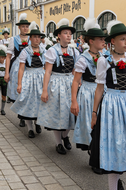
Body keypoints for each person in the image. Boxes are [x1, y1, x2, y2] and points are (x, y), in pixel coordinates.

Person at [89, 20, 126, 190]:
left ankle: (116, 179)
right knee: (113, 144)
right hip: (111, 105)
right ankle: (113, 185)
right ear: (112, 42)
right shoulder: (103, 60)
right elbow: (100, 89)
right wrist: (94, 113)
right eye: (122, 39)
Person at [37, 18, 79, 154]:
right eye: (65, 33)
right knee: (57, 113)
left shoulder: (74, 51)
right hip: (56, 83)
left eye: (70, 33)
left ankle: (65, 136)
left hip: (69, 83)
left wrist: (77, 83)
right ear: (59, 35)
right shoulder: (52, 51)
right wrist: (45, 90)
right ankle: (58, 142)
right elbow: (48, 71)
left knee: (69, 113)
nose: (68, 35)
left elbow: (76, 70)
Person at [71, 18, 106, 153]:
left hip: (101, 91)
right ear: (91, 41)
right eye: (101, 39)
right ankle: (92, 151)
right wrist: (74, 101)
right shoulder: (82, 59)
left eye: (104, 39)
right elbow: (75, 81)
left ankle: (98, 149)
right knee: (89, 123)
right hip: (87, 92)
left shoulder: (104, 56)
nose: (104, 41)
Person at [11, 21, 46, 138]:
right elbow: (21, 69)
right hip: (29, 77)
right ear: (30, 38)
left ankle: (38, 123)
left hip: (41, 77)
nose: (37, 39)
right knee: (28, 102)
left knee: (40, 102)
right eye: (35, 37)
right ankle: (30, 128)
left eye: (39, 37)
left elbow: (47, 67)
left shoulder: (44, 50)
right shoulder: (25, 51)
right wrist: (19, 84)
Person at [4, 13, 30, 127]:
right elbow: (8, 57)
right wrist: (6, 73)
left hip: (29, 68)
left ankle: (30, 116)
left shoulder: (32, 38)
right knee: (19, 93)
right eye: (23, 26)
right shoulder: (13, 39)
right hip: (16, 68)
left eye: (27, 26)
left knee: (29, 93)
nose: (25, 28)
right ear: (19, 27)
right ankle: (21, 116)